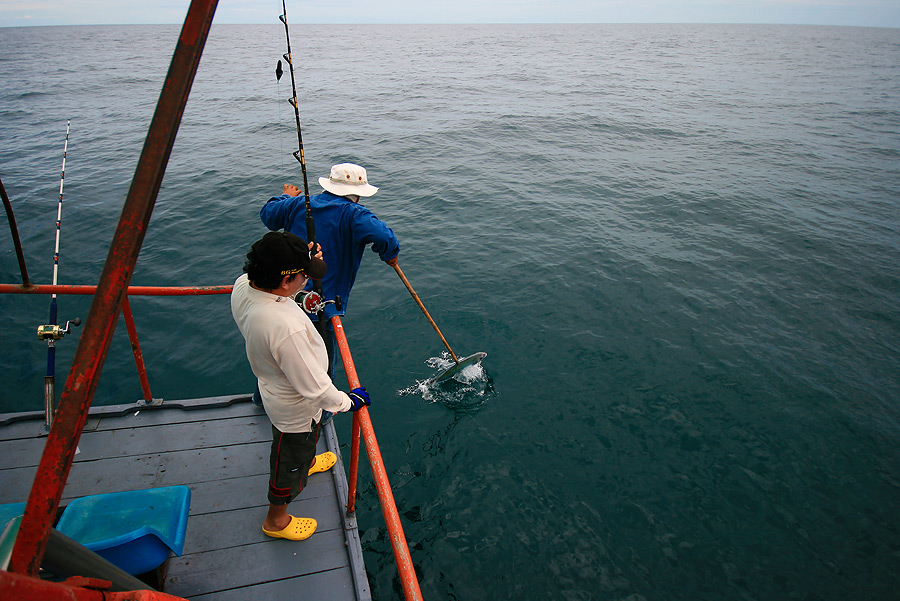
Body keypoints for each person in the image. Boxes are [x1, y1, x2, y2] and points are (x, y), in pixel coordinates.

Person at [231, 231, 371, 541]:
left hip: (274, 388)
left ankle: (306, 463)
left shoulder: (245, 286)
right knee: (287, 464)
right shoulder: (285, 328)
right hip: (295, 413)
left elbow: (278, 287)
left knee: (302, 451)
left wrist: (297, 260)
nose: (307, 280)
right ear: (284, 282)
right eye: (303, 276)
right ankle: (276, 520)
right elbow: (318, 390)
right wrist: (349, 401)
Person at [259, 163, 400, 382]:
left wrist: (284, 197)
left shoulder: (297, 204)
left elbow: (269, 216)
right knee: (322, 362)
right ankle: (324, 415)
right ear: (359, 195)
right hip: (321, 305)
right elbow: (385, 238)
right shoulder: (355, 214)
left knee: (278, 359)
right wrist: (389, 254)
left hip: (284, 294)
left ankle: (261, 403)